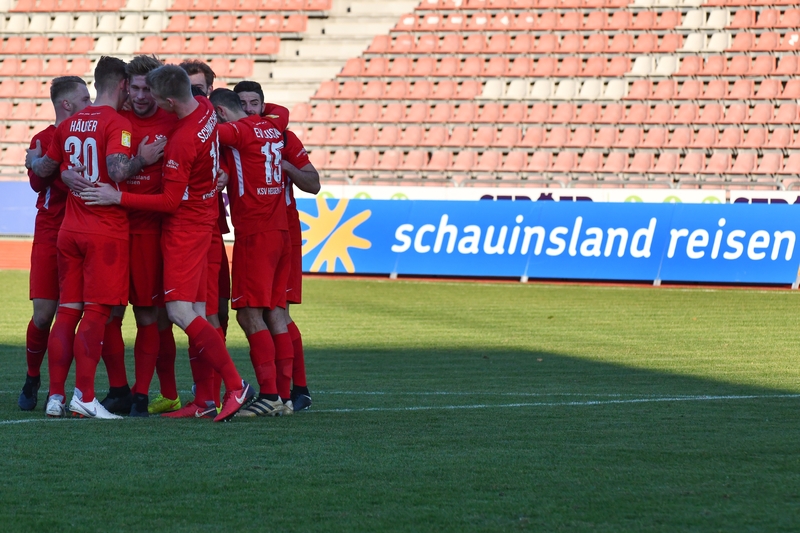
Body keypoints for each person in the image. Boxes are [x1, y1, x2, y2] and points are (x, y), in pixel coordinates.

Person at [80, 65, 254, 422]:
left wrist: (118, 198)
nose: (150, 103)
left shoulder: (181, 139)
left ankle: (236, 386)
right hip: (204, 223)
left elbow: (169, 202)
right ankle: (205, 400)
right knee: (200, 312)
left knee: (178, 312)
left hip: (184, 229)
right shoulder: (205, 109)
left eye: (156, 97)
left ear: (170, 100)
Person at [27, 56, 166, 419]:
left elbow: (44, 167)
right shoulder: (116, 123)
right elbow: (118, 170)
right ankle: (84, 396)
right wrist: (143, 158)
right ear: (122, 85)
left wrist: (33, 161)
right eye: (130, 87)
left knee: (68, 311)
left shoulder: (69, 124)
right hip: (103, 231)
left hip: (69, 231)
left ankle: (55, 396)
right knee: (98, 312)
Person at [233, 80, 320, 410]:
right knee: (270, 312)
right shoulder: (241, 138)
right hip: (264, 232)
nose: (249, 108)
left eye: (254, 102)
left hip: (280, 233)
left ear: (263, 105)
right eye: (243, 103)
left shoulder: (282, 137)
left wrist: (287, 168)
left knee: (274, 310)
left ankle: (290, 391)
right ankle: (286, 393)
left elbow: (313, 183)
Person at [210, 88, 293, 416]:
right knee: (275, 313)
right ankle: (284, 399)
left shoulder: (238, 130)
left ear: (220, 113)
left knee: (247, 313)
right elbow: (282, 110)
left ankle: (270, 395)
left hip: (256, 235)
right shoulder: (273, 126)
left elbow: (204, 132)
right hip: (280, 231)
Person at [18, 76, 91, 411]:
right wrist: (44, 164)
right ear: (67, 104)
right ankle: (33, 376)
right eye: (84, 98)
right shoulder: (44, 137)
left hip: (87, 232)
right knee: (44, 315)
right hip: (50, 233)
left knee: (84, 313)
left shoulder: (91, 133)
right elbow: (36, 183)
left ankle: (67, 390)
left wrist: (44, 162)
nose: (90, 104)